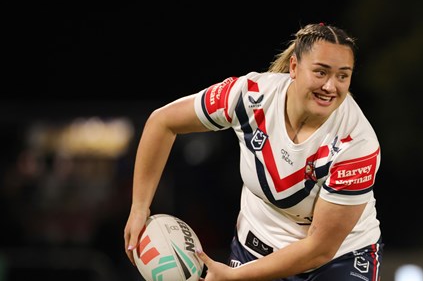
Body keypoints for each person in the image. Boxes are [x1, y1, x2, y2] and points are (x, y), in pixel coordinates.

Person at [124, 23, 383, 281]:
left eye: (342, 76)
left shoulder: (356, 144)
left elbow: (320, 249)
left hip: (339, 259)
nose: (330, 86)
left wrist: (235, 277)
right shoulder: (249, 96)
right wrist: (139, 208)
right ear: (294, 67)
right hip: (255, 249)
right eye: (320, 72)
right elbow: (162, 122)